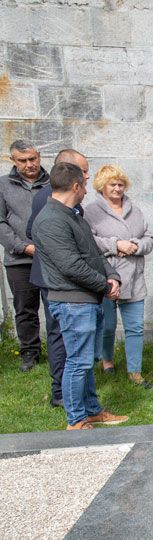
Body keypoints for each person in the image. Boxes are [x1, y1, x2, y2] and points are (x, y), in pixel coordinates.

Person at [31, 163, 128, 429]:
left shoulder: (73, 216)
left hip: (88, 299)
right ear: (75, 187)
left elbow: (94, 254)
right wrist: (105, 286)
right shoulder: (50, 220)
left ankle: (92, 410)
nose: (86, 190)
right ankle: (75, 420)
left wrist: (112, 277)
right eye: (84, 185)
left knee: (87, 361)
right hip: (71, 301)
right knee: (77, 362)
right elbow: (71, 266)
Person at [27, 149, 90, 408]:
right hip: (55, 278)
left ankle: (72, 388)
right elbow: (33, 231)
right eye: (83, 171)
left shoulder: (69, 200)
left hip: (66, 277)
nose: (87, 177)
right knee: (59, 334)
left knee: (68, 336)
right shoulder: (49, 198)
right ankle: (61, 391)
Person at [83, 164, 153, 388]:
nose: (117, 188)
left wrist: (135, 245)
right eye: (112, 184)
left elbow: (149, 238)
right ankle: (107, 361)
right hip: (106, 276)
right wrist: (116, 244)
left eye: (120, 184)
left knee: (135, 327)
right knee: (107, 325)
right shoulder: (91, 211)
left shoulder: (135, 210)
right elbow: (88, 241)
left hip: (134, 276)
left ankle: (135, 372)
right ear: (102, 186)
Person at [0, 140, 49, 372]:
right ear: (13, 160)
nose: (29, 164)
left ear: (38, 155)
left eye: (32, 159)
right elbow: (1, 223)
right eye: (22, 161)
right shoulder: (3, 185)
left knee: (55, 306)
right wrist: (24, 247)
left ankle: (59, 349)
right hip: (19, 260)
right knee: (25, 309)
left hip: (51, 258)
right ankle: (30, 353)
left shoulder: (54, 183)